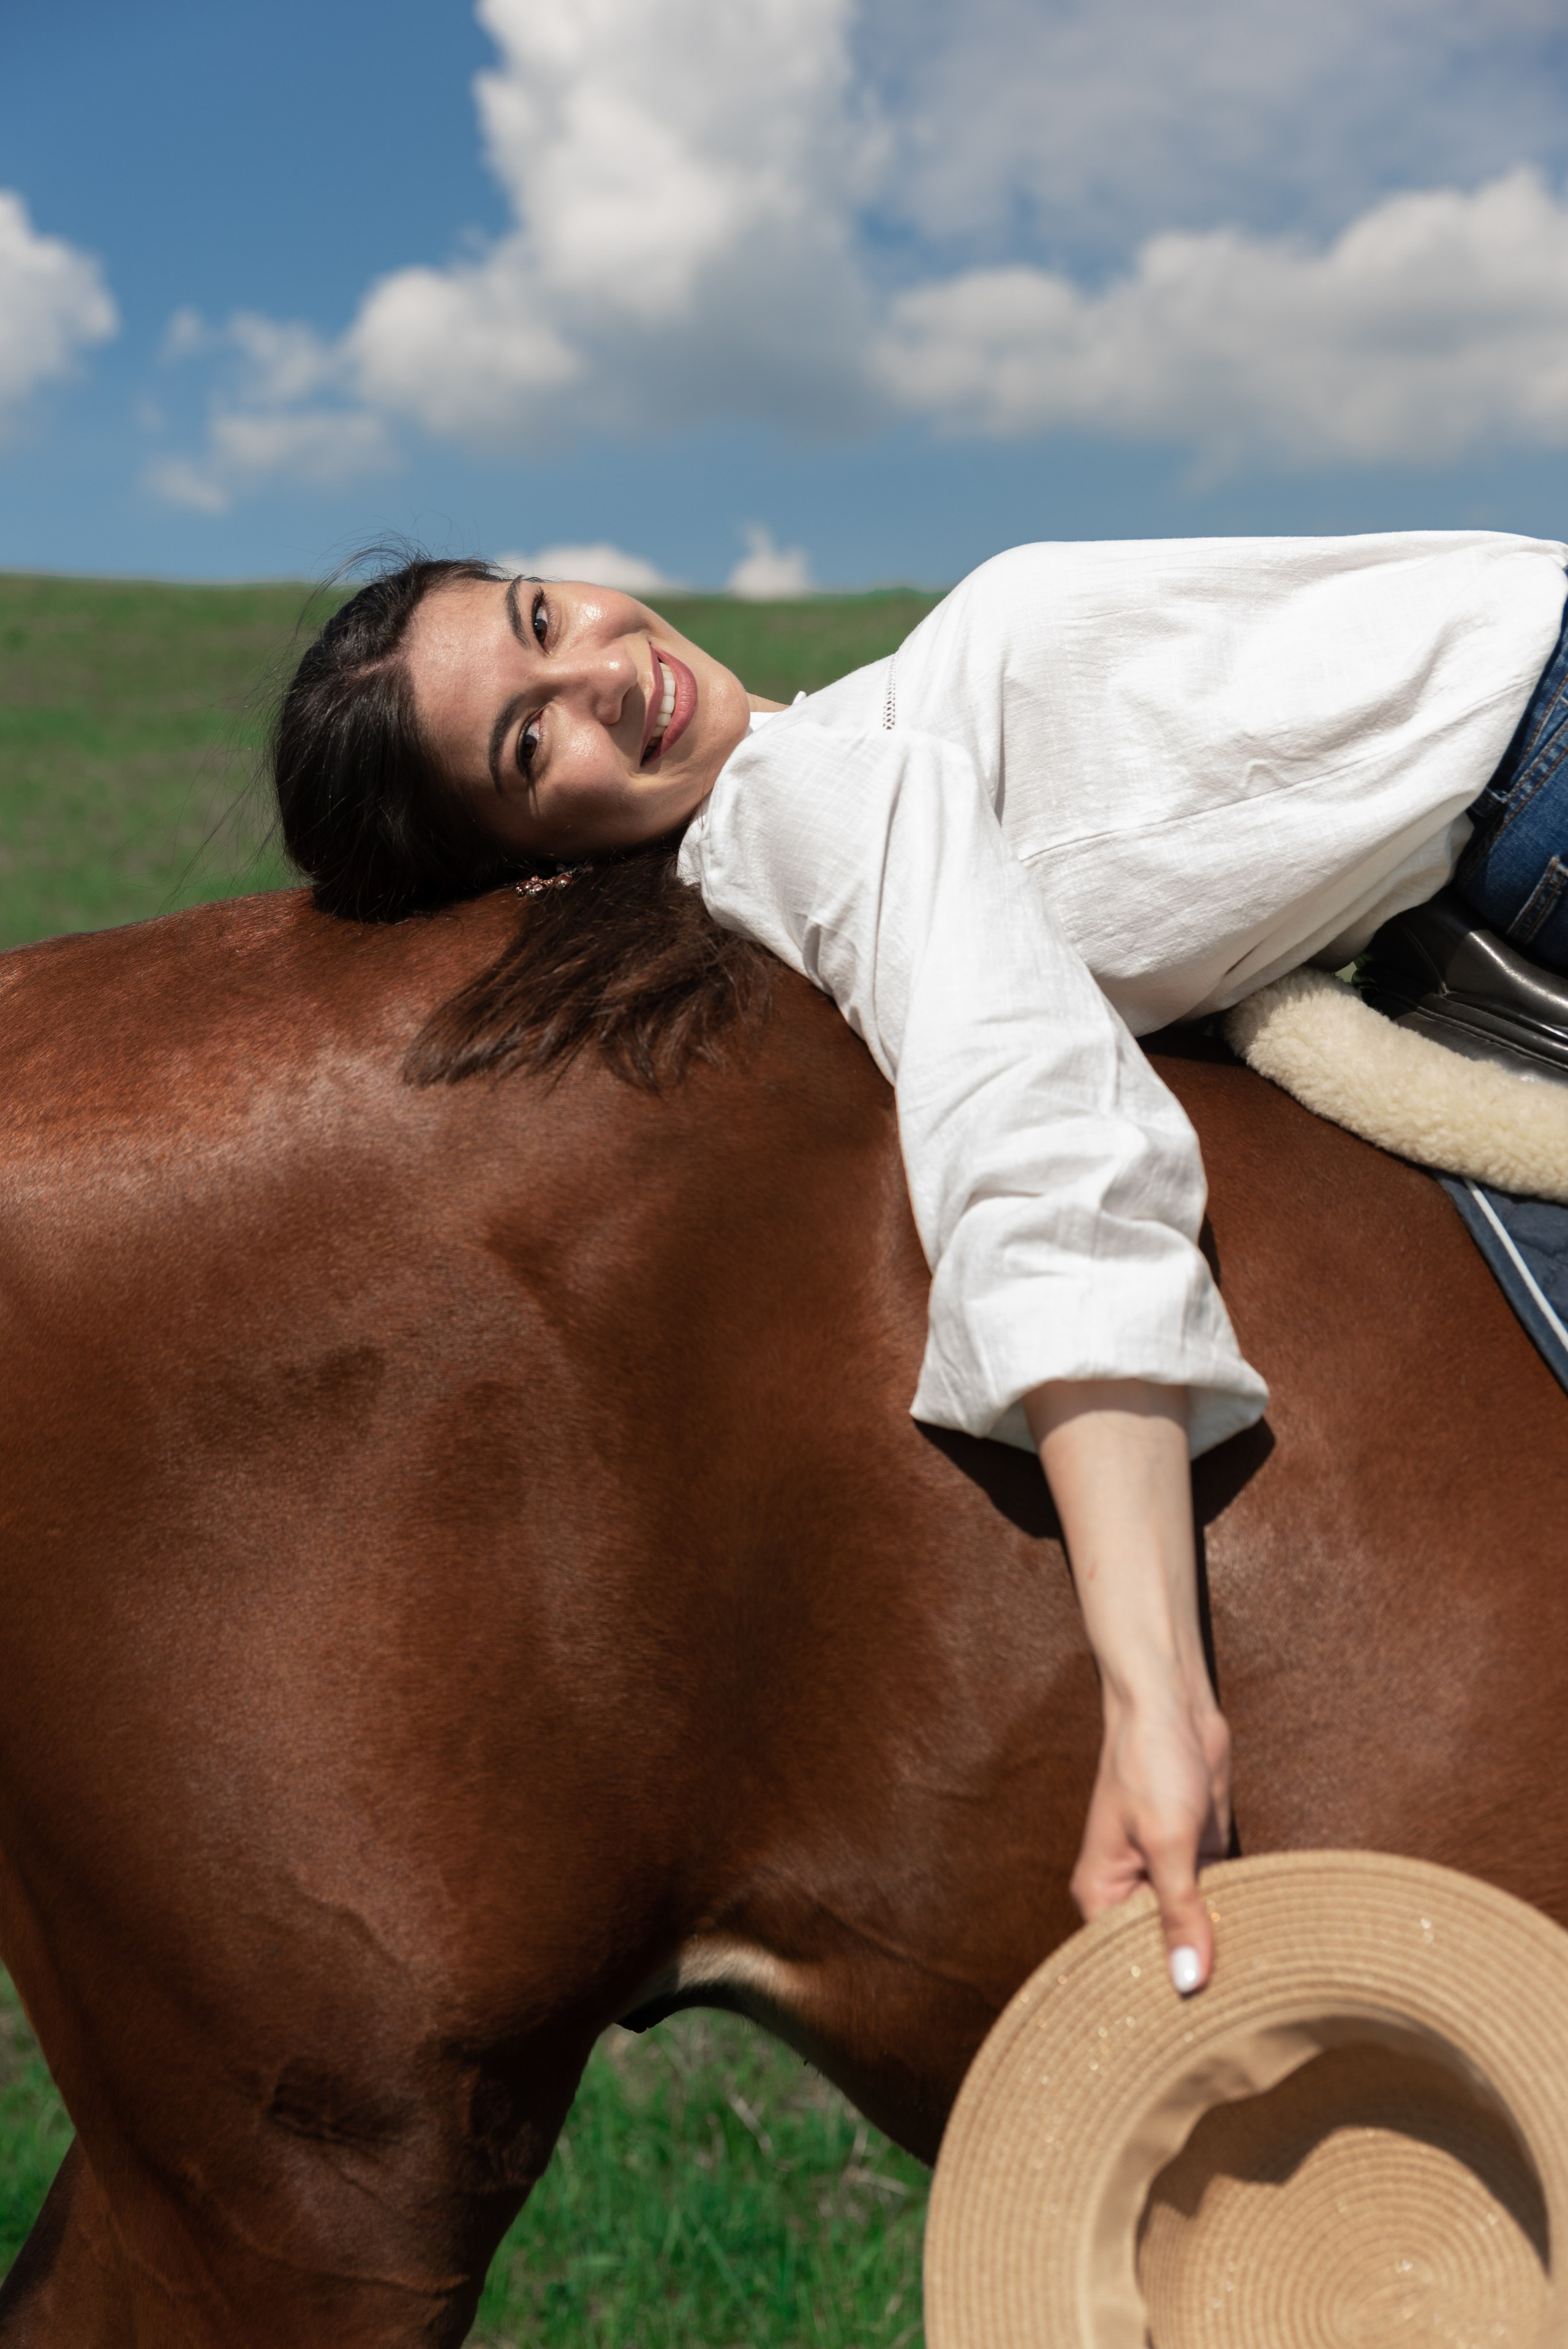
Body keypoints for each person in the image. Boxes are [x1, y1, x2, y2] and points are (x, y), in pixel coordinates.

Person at [274, 531, 1568, 1997]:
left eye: (536, 617)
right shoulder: (790, 808)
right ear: (538, 863)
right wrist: (1153, 1688)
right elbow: (1034, 1129)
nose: (597, 674)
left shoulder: (837, 727)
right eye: (529, 741)